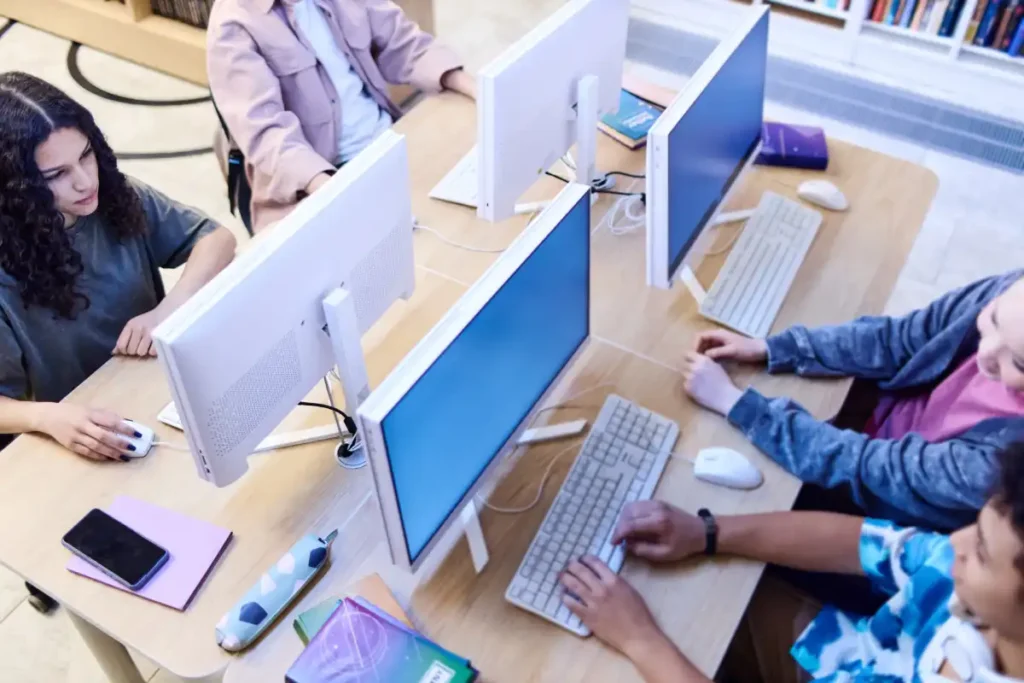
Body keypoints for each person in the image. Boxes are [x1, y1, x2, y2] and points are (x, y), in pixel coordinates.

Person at [558, 442, 1024, 683]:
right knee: (694, 597)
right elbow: (866, 544)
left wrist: (641, 640)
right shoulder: (958, 570)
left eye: (981, 553)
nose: (955, 542)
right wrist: (707, 532)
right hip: (842, 657)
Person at [0, 72, 237, 463]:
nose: (84, 181)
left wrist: (169, 309)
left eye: (86, 154)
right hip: (77, 429)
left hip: (156, 387)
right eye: (56, 175)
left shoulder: (112, 193)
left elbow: (217, 240)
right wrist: (45, 416)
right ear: (16, 187)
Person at [679, 270, 1024, 530]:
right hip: (876, 426)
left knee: (697, 494)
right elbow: (898, 338)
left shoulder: (1001, 465)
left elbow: (865, 466)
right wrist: (773, 348)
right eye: (992, 321)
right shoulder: (1013, 291)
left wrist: (738, 405)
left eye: (1019, 363)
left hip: (884, 506)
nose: (986, 354)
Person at [207, 0, 475, 232]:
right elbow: (269, 138)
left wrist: (479, 90)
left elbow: (404, 44)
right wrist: (340, 194)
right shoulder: (233, 26)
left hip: (389, 144)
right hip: (323, 182)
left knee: (473, 214)